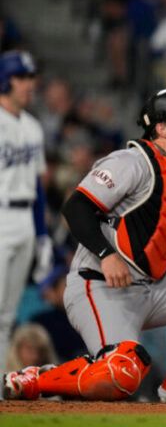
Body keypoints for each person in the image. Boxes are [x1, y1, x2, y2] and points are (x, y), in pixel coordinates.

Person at [3, 85, 166, 404]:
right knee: (120, 375)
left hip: (153, 288)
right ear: (162, 127)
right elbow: (77, 208)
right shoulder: (130, 161)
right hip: (101, 286)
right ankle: (33, 380)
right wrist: (106, 254)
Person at [0, 51, 52, 372]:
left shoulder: (33, 127)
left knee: (7, 316)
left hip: (25, 220)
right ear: (6, 80)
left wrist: (43, 236)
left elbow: (38, 185)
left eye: (31, 77)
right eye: (23, 77)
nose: (29, 84)